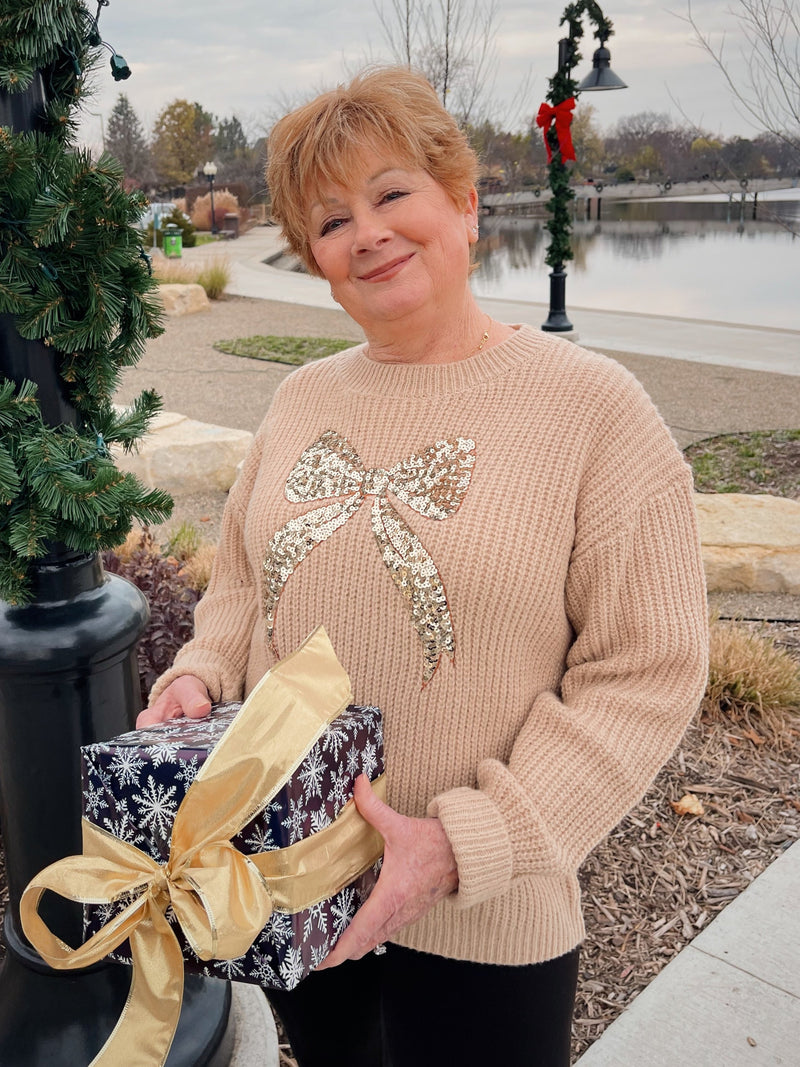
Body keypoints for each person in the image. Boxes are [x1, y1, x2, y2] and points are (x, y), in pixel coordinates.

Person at [140, 67, 708, 1066]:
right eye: (329, 220)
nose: (366, 232)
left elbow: (645, 670)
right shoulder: (300, 398)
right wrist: (199, 672)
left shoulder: (591, 409)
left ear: (463, 202)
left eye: (391, 193)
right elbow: (238, 580)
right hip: (298, 877)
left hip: (485, 916)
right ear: (315, 258)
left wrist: (461, 842)